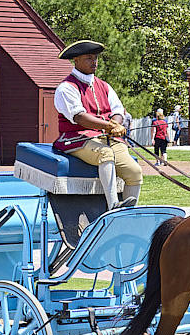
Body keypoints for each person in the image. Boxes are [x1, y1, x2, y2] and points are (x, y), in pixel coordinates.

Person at [53, 40, 142, 210]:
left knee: (135, 172)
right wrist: (110, 126)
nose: (94, 62)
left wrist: (116, 123)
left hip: (105, 138)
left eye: (95, 58)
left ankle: (129, 214)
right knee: (105, 154)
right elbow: (79, 117)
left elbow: (117, 109)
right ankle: (113, 206)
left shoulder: (104, 86)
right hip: (74, 139)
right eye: (88, 58)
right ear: (76, 60)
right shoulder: (66, 87)